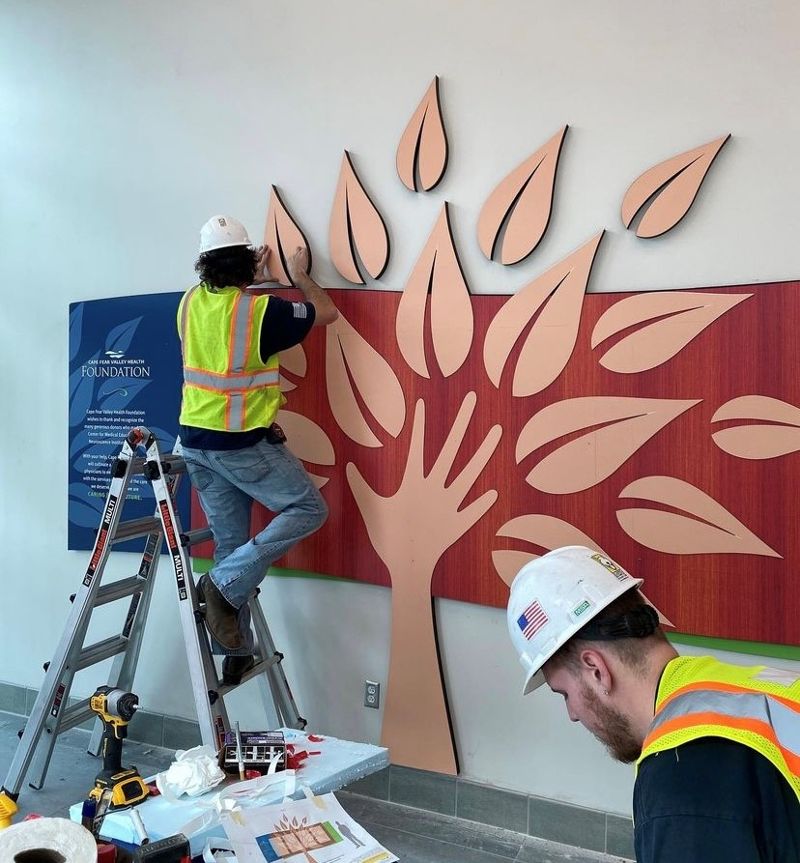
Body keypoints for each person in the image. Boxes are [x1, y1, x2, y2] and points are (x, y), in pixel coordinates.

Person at [506, 545, 800, 862]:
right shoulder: (752, 685)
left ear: (596, 670)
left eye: (564, 693)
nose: (573, 714)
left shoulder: (681, 781)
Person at [178, 214, 338, 685]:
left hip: (194, 443)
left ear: (203, 265)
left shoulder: (188, 303)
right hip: (239, 443)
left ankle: (236, 651)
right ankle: (221, 587)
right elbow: (325, 312)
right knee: (309, 509)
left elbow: (227, 305)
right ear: (247, 262)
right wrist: (299, 274)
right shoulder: (260, 312)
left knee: (231, 546)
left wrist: (253, 276)